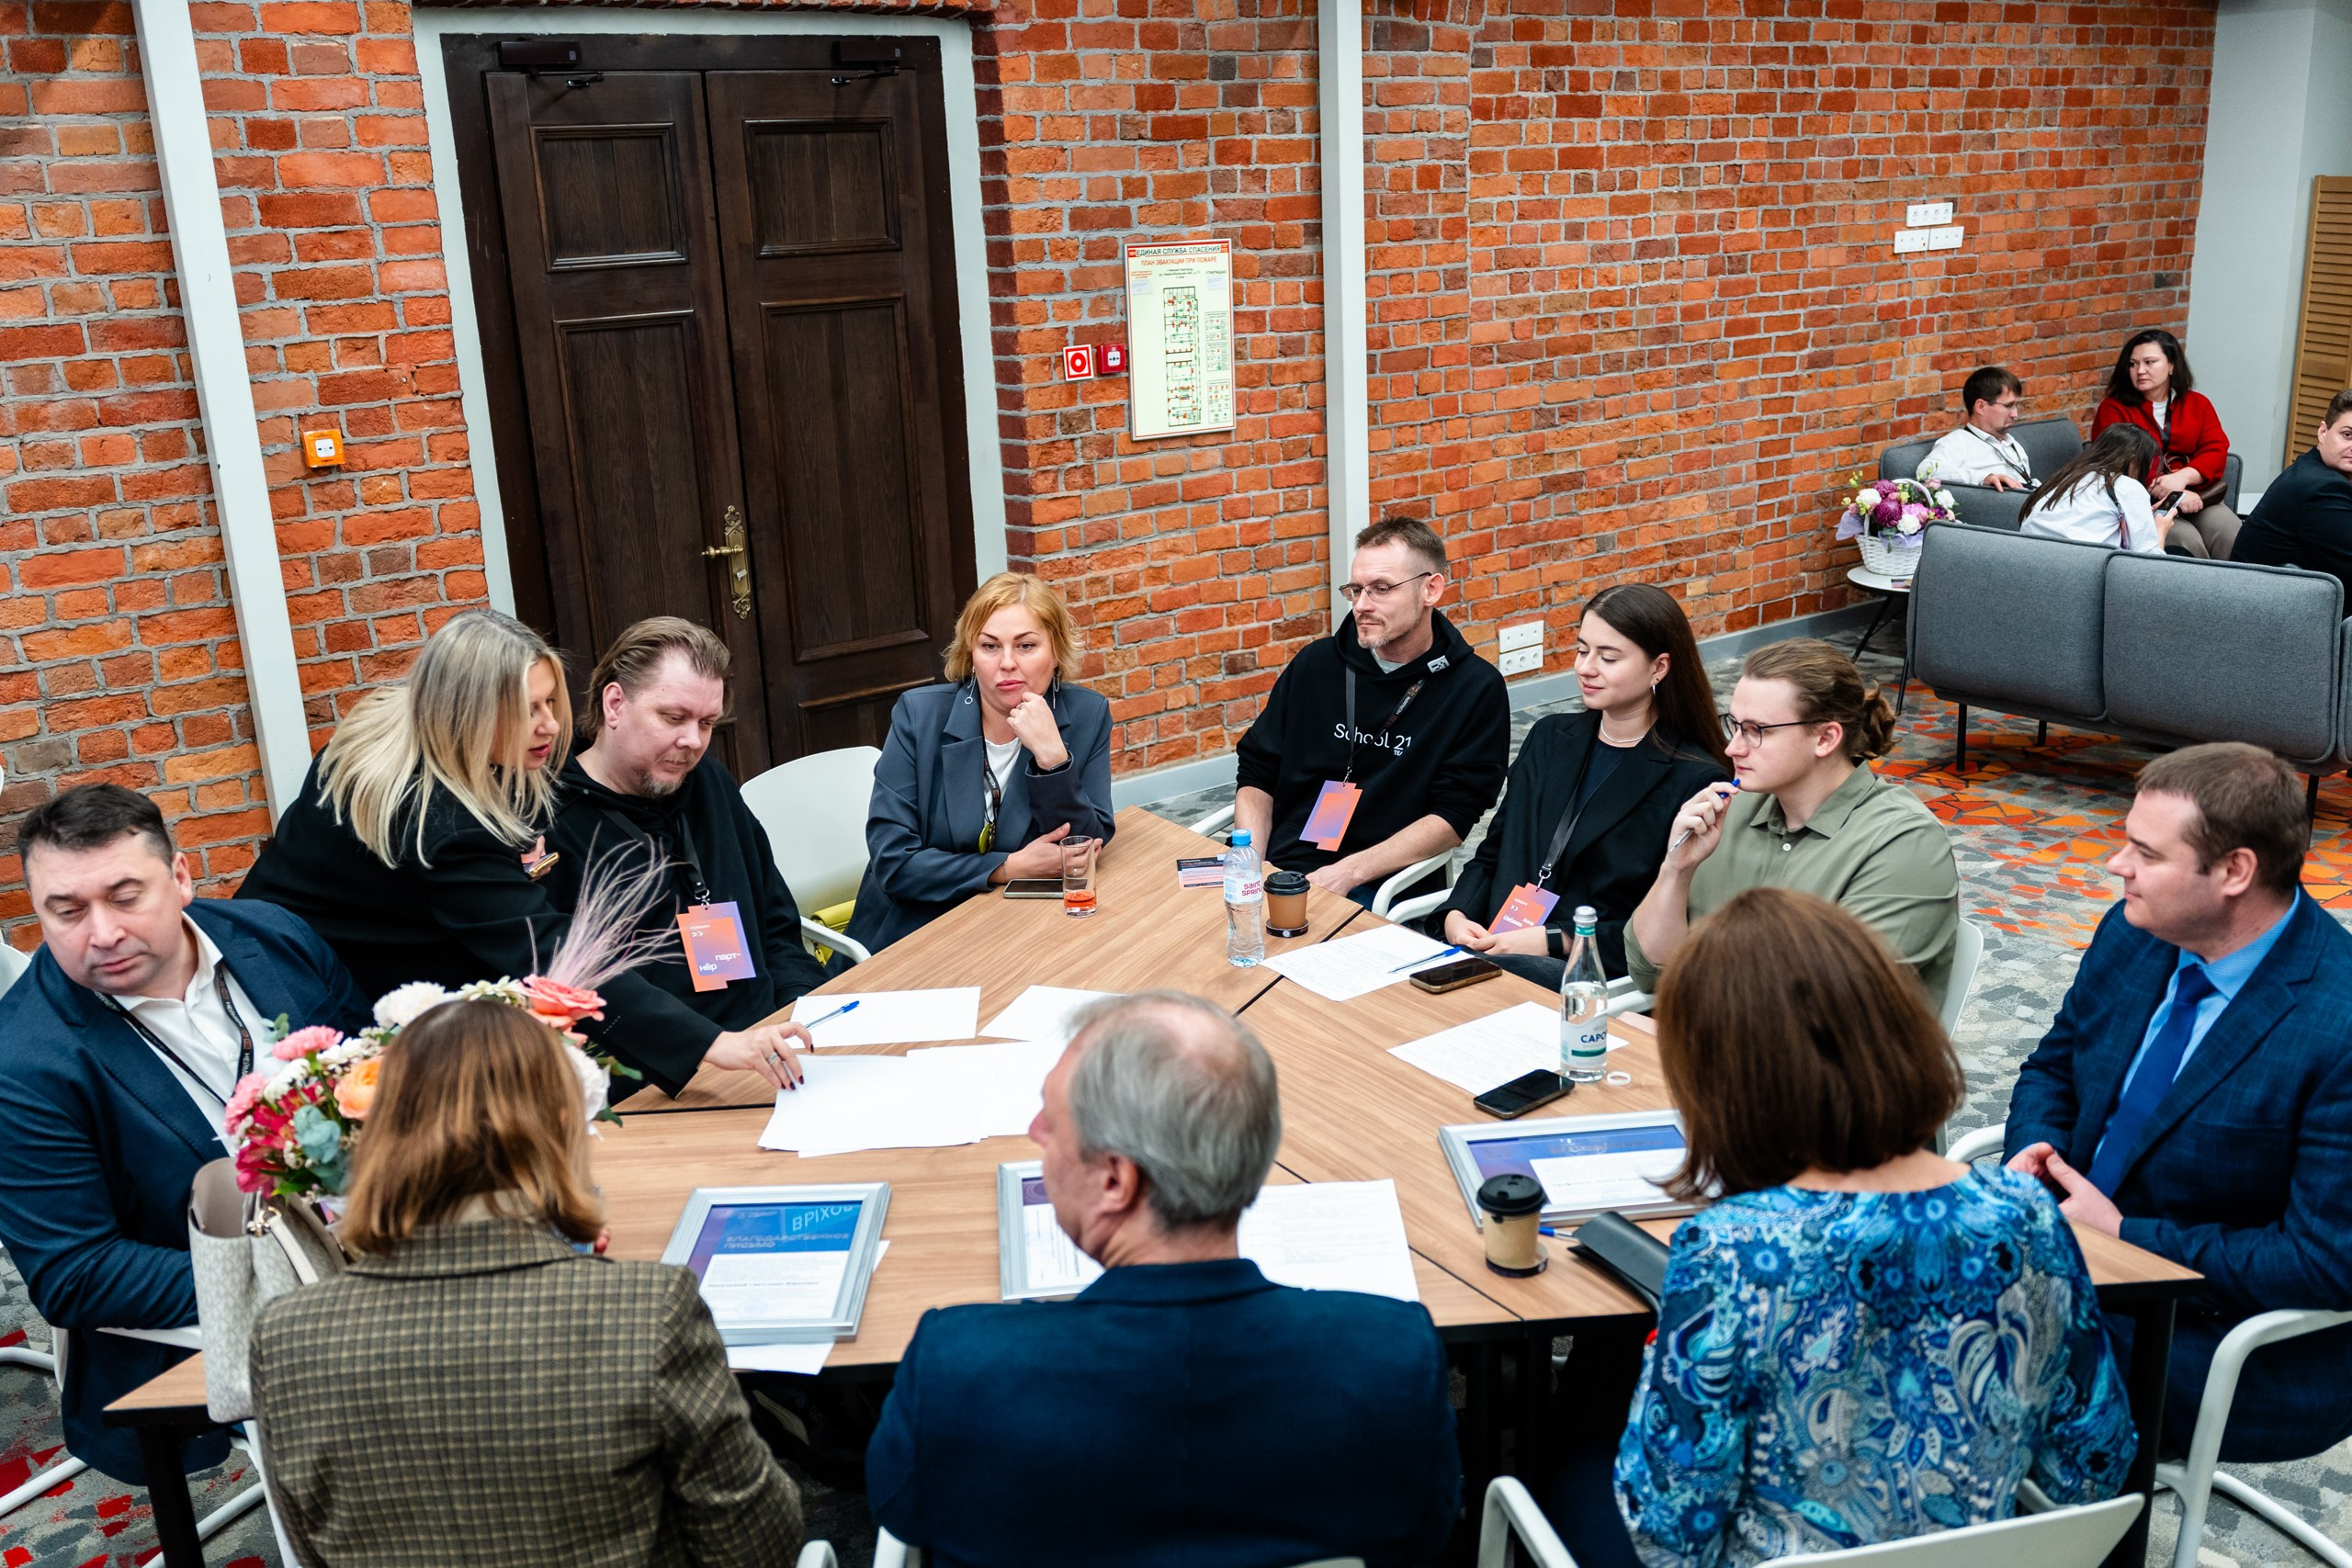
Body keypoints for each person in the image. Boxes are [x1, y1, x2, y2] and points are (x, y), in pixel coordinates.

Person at [1575, 889, 2132, 1568]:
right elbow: (2095, 1456)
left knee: (1561, 1457)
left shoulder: (1731, 1250)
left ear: (1726, 1082)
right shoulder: (2027, 1214)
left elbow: (1671, 1529)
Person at [865, 992, 1460, 1568]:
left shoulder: (956, 1370)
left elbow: (904, 1512)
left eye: (1053, 1117)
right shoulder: (1395, 1360)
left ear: (1115, 1181)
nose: (1034, 1130)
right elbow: (1425, 1533)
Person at [251, 998, 803, 1566]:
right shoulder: (646, 1311)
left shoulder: (286, 1334)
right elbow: (757, 1544)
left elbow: (307, 1547)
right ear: (564, 1126)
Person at [238, 609, 807, 1100]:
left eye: (550, 702)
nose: (552, 726)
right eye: (527, 709)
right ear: (466, 713)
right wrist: (716, 1044)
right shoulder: (443, 825)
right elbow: (556, 955)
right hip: (297, 980)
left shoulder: (411, 721)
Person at [0, 784, 369, 1483]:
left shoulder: (273, 935)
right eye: (67, 910)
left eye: (125, 895)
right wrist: (301, 1280)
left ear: (181, 877)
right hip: (220, 1311)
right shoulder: (21, 1062)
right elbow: (75, 1272)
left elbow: (374, 1069)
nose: (101, 932)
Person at [2006, 742, 2352, 1461]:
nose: (2115, 865)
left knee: (1965, 1360)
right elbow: (2055, 1065)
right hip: (2073, 1256)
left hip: (2225, 1337)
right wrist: (2034, 1150)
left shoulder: (2339, 1024)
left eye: (2145, 852)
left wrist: (2127, 1233)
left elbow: (2323, 1262)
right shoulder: (2139, 933)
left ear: (2234, 871)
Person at [1626, 638, 1959, 1009]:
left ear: (1825, 738)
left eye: (1757, 730)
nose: (1732, 748)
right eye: (1735, 725)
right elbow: (1650, 972)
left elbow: (1830, 1012)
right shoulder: (1732, 809)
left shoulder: (1905, 844)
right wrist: (1676, 869)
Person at [544, 617, 828, 1040]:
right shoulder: (553, 826)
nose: (693, 740)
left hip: (772, 1035)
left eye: (707, 723)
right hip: (666, 1067)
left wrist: (801, 1008)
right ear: (615, 704)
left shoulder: (710, 784)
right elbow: (578, 1001)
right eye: (674, 717)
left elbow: (777, 924)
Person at [1433, 583, 1729, 985]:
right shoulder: (1548, 738)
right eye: (1581, 650)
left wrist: (1556, 939)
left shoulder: (1695, 777)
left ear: (1659, 668)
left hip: (1582, 972)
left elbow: (1673, 922)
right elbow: (1494, 850)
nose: (1586, 667)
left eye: (1608, 657)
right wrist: (1457, 914)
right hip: (1490, 943)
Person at [1232, 515, 1510, 904]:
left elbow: (1453, 816)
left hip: (1379, 881)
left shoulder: (1475, 689)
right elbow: (1258, 769)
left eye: (1380, 589)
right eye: (1356, 589)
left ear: (1431, 589)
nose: (1362, 605)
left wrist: (1348, 872)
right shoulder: (1317, 663)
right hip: (1281, 864)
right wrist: (1249, 865)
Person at [851, 572, 1115, 952]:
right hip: (918, 929)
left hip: (1023, 928)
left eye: (1026, 646)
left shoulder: (1088, 714)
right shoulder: (919, 716)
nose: (1007, 663)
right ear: (971, 655)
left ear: (1055, 651)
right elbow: (894, 862)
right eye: (990, 646)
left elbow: (1086, 846)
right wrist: (1007, 868)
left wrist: (1053, 760)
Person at [2091, 327, 2239, 558]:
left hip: (2197, 496)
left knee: (2230, 532)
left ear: (2171, 365)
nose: (2140, 370)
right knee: (2187, 542)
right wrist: (2170, 491)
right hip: (2145, 503)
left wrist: (2183, 479)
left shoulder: (2197, 404)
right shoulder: (2113, 408)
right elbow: (2116, 463)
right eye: (2133, 364)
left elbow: (2216, 449)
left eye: (2150, 362)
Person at [2228, 387, 2352, 590]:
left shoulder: (2310, 468)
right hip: (2272, 612)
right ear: (2323, 432)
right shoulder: (2323, 489)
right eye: (2347, 434)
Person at [2018, 423, 2165, 553]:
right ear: (2133, 459)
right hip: (2082, 571)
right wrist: (2160, 530)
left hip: (2029, 559)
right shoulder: (2127, 486)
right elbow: (2150, 565)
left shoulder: (2065, 477)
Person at [1916, 366, 2035, 491]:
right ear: (1981, 407)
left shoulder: (2012, 443)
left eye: (2016, 405)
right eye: (2008, 406)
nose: (2015, 414)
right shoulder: (1959, 441)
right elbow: (1925, 471)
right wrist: (1983, 478)